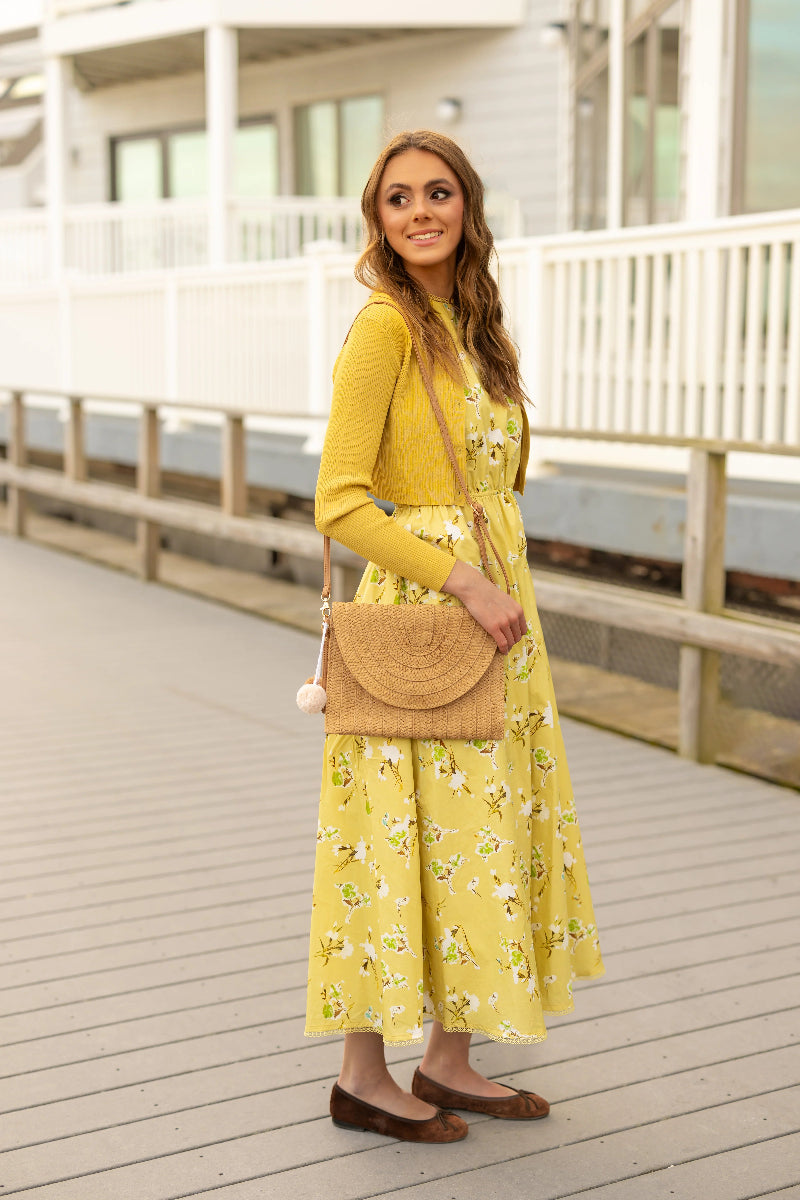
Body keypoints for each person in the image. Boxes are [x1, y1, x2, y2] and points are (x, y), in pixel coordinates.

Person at [305, 130, 604, 1144]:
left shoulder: (471, 327)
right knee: (391, 844)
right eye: (398, 199)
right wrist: (464, 579)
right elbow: (338, 504)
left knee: (474, 843)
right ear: (377, 220)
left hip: (496, 621)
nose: (420, 211)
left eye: (439, 193)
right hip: (429, 616)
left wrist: (493, 583)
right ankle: (360, 1077)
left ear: (468, 211)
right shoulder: (384, 328)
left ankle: (446, 1057)